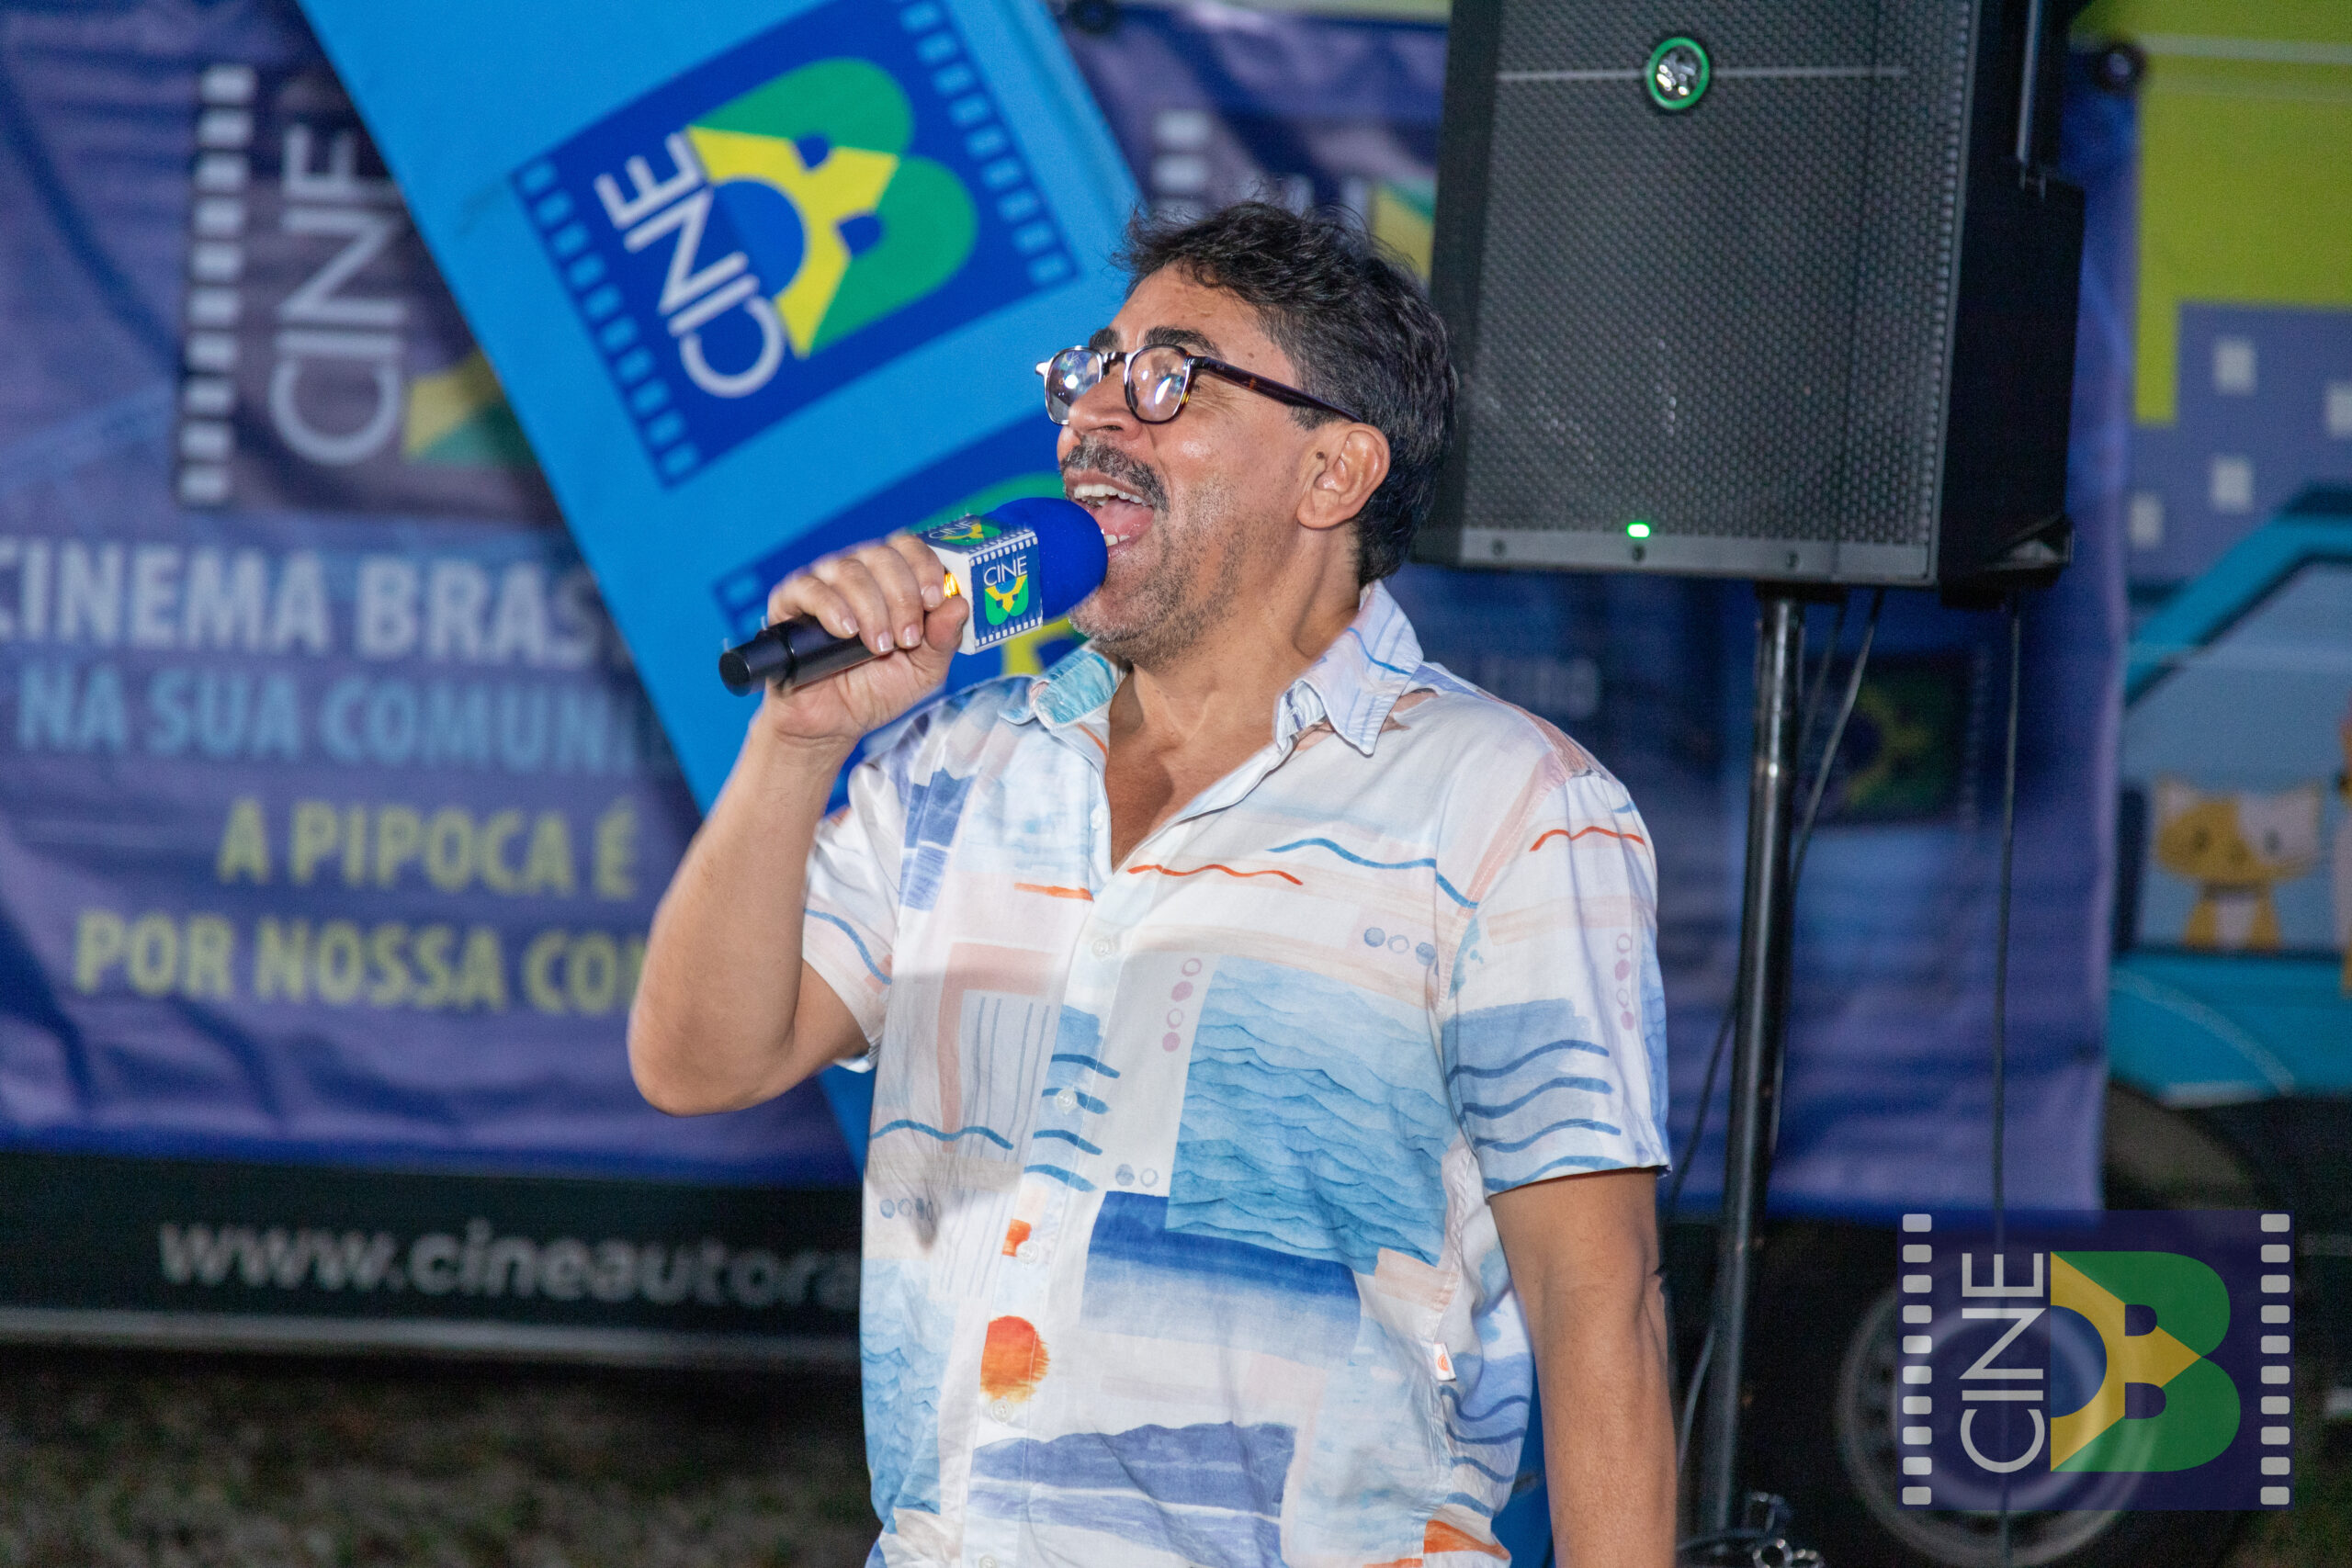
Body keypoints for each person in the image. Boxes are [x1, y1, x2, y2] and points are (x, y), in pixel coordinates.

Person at [630, 201, 1674, 1568]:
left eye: (1169, 377)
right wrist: (797, 747)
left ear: (1333, 471)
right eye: (1091, 370)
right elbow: (700, 1063)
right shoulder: (958, 763)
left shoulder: (1510, 807)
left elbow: (1600, 1310)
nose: (1094, 417)